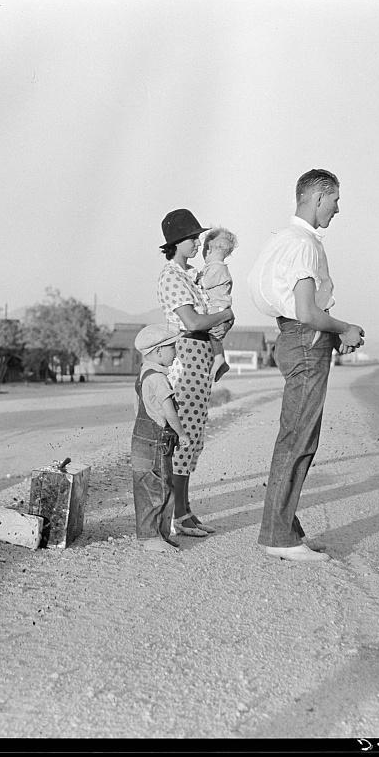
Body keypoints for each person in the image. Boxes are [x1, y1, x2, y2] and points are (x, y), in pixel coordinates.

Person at [246, 169, 365, 563]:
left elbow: (279, 302)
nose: (338, 208)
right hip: (305, 338)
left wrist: (330, 334)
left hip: (294, 338)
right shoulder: (304, 245)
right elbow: (307, 312)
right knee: (299, 438)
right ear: (317, 198)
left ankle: (284, 528)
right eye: (334, 200)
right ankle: (278, 536)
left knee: (295, 434)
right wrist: (344, 327)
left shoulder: (283, 239)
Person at [156, 208, 236, 537]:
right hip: (186, 355)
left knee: (193, 436)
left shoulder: (191, 275)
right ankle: (177, 513)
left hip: (200, 356)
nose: (196, 242)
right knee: (183, 436)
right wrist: (225, 315)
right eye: (191, 237)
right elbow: (192, 322)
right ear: (176, 242)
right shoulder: (171, 276)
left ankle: (184, 510)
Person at [130, 324, 190, 553]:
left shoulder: (144, 373)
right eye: (172, 347)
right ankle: (151, 536)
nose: (175, 351)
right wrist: (182, 433)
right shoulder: (159, 379)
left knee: (147, 485)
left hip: (141, 438)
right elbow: (168, 411)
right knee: (159, 488)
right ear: (158, 352)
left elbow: (137, 405)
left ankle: (157, 534)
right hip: (155, 441)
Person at [197, 226, 238, 383]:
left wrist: (195, 278)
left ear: (209, 250)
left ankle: (220, 357)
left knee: (214, 334)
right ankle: (220, 358)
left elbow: (204, 284)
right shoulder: (217, 267)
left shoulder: (216, 268)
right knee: (214, 336)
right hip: (221, 308)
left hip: (218, 308)